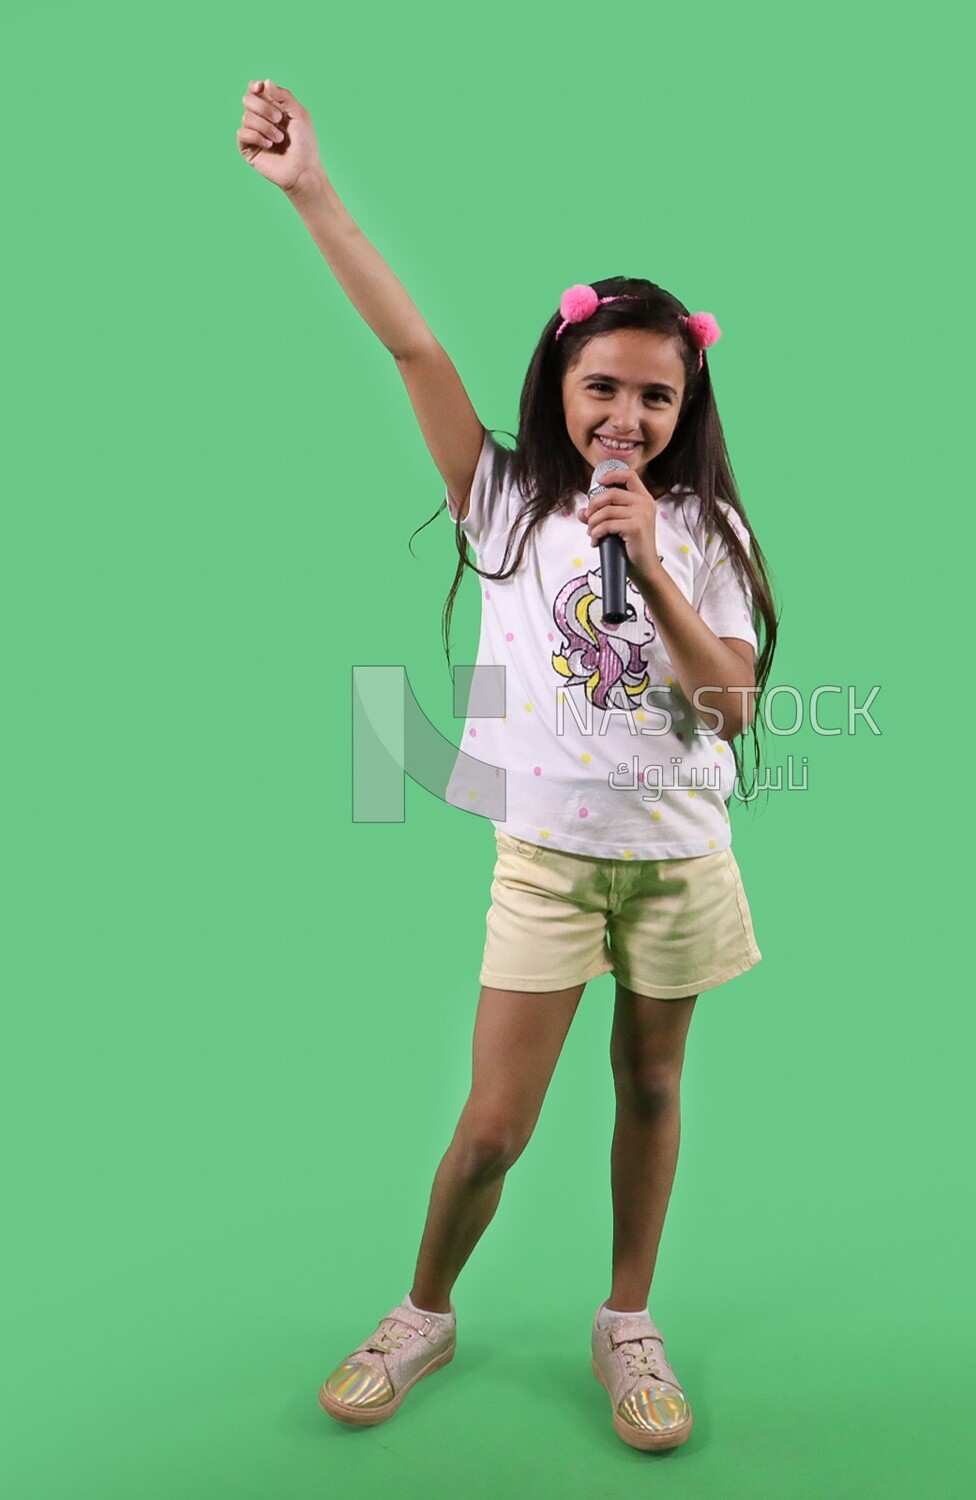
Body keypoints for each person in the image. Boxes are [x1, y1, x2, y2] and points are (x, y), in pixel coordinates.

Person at [237, 77, 780, 1454]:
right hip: (544, 857)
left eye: (655, 396)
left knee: (652, 1089)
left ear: (681, 405)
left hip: (676, 861)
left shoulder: (701, 530)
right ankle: (423, 1310)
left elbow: (732, 705)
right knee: (491, 1127)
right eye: (604, 384)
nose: (626, 414)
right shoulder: (507, 502)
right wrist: (312, 193)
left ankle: (626, 1323)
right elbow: (413, 349)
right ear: (561, 383)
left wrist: (652, 566)